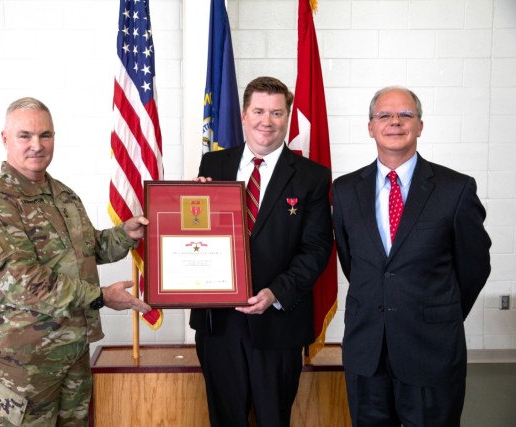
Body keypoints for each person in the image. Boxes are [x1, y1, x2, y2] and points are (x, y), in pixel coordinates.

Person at [0, 97, 151, 427]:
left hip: (72, 350)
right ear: (5, 139)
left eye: (45, 135)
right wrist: (101, 296)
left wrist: (127, 234)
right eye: (25, 136)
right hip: (25, 362)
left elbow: (90, 248)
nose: (37, 145)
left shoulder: (63, 196)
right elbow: (24, 282)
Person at [332, 86, 492, 426]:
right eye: (384, 115)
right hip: (367, 352)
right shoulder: (345, 191)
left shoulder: (456, 189)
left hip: (430, 349)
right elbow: (354, 263)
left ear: (420, 126)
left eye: (406, 115)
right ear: (370, 127)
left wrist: (438, 310)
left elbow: (474, 265)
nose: (395, 122)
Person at [190, 76, 334, 427]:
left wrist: (275, 293)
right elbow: (196, 236)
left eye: (276, 112)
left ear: (287, 117)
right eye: (258, 111)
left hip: (278, 322)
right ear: (243, 115)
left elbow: (316, 248)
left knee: (273, 419)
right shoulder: (213, 166)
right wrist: (189, 203)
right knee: (225, 419)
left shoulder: (312, 176)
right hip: (219, 323)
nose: (266, 121)